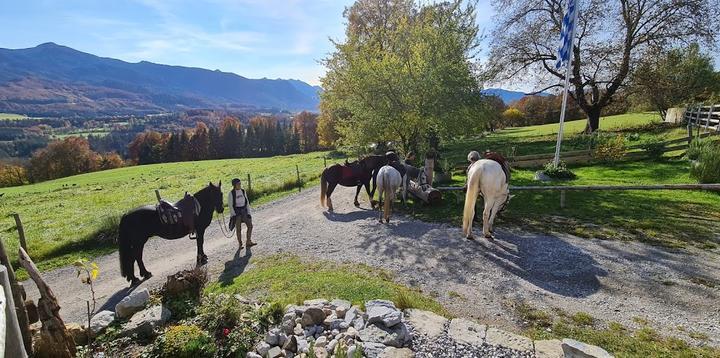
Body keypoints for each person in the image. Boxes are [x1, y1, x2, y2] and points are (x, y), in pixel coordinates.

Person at [228, 178, 255, 249]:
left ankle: (248, 241)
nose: (240, 185)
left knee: (250, 226)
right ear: (234, 185)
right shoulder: (231, 193)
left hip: (244, 211)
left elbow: (247, 202)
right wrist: (233, 215)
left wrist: (249, 212)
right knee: (238, 229)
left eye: (240, 183)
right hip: (237, 213)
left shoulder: (243, 191)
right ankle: (240, 244)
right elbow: (230, 205)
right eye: (238, 184)